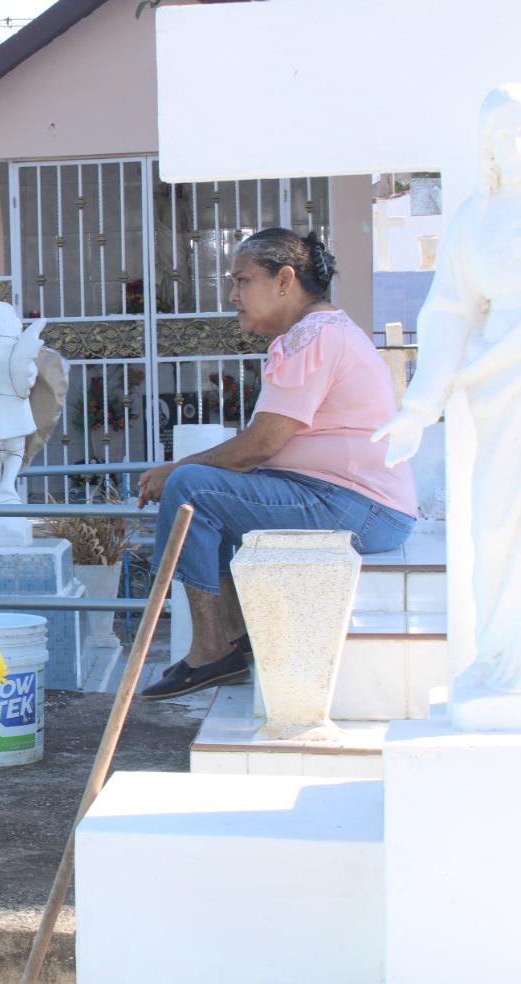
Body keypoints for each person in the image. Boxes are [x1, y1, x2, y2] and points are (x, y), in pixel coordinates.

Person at [377, 83, 521, 698]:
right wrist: (419, 406)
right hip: (503, 387)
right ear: (489, 151)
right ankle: (503, 655)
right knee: (499, 526)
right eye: (500, 138)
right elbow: (448, 311)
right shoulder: (475, 220)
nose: (514, 146)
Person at [137, 229, 417, 700]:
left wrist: (175, 469)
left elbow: (262, 443)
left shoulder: (315, 336)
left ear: (285, 280)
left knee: (191, 487)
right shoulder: (321, 332)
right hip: (352, 502)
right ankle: (234, 639)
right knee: (209, 489)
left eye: (243, 281)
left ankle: (210, 652)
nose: (233, 295)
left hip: (359, 507)